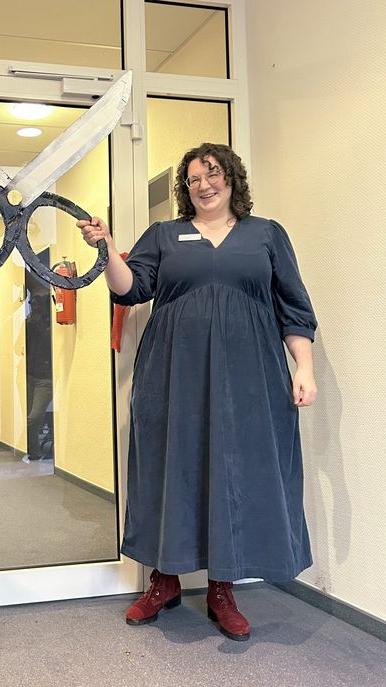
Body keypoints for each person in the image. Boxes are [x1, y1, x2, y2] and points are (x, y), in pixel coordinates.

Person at [78, 142, 317, 641]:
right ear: (185, 190)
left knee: (231, 471)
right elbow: (129, 288)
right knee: (174, 466)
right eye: (193, 179)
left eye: (212, 174)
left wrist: (305, 369)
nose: (203, 185)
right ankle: (163, 581)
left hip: (249, 378)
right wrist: (107, 248)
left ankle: (221, 588)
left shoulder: (266, 235)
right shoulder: (165, 234)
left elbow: (293, 308)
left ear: (232, 178)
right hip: (174, 375)